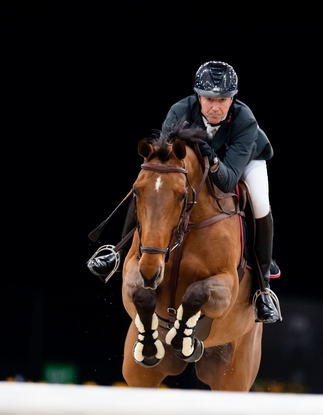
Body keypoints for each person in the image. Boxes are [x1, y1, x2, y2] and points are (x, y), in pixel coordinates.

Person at [88, 60, 282, 324]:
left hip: (243, 160)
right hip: (199, 159)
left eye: (223, 100)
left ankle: (262, 288)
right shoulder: (179, 111)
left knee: (259, 203)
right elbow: (163, 162)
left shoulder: (245, 121)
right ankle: (118, 254)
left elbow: (227, 181)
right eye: (209, 99)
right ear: (198, 97)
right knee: (150, 184)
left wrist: (213, 159)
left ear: (233, 99)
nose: (215, 107)